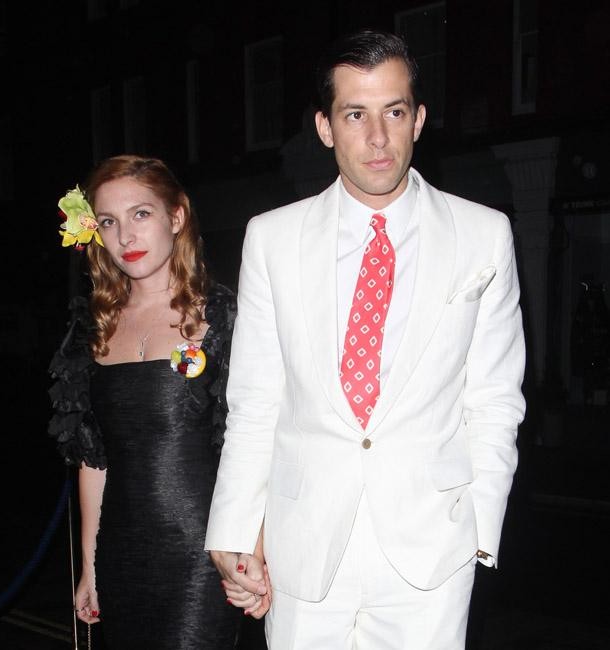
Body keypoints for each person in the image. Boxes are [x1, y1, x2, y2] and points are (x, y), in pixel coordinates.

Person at [205, 29, 526, 649]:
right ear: (325, 127)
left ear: (418, 120)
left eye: (394, 112)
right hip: (304, 547)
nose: (377, 137)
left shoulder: (483, 235)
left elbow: (494, 399)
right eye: (355, 114)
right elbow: (255, 400)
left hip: (432, 552)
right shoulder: (272, 239)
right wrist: (235, 528)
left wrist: (479, 532)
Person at [48, 155, 243, 649]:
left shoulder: (223, 317)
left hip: (204, 554)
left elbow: (252, 444)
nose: (125, 237)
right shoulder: (92, 329)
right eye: (109, 222)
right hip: (121, 553)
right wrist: (90, 566)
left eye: (140, 214)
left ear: (176, 217)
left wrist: (249, 546)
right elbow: (94, 460)